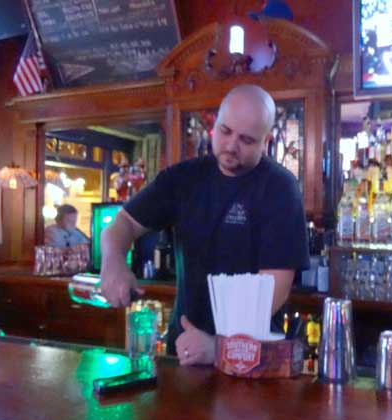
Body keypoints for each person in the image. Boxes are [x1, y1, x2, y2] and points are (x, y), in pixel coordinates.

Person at [100, 84, 309, 366]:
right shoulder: (184, 178)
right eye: (225, 131)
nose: (231, 145)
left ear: (266, 141)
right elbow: (123, 222)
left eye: (246, 140)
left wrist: (221, 347)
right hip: (185, 345)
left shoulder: (279, 187)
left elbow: (275, 286)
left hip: (251, 357)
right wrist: (113, 261)